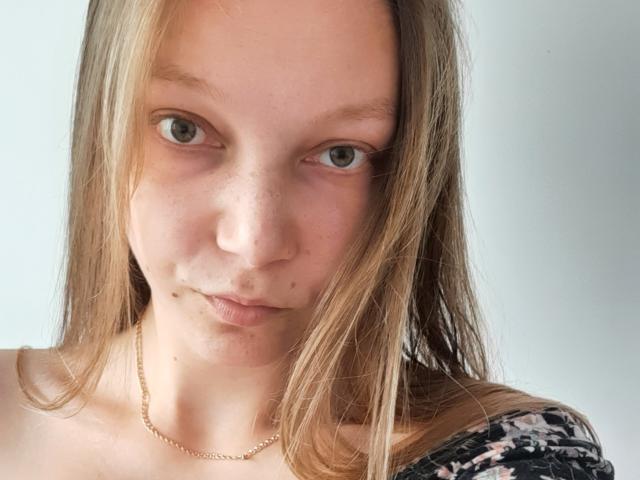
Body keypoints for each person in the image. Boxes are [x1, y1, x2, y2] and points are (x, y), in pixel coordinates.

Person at [0, 0, 615, 479]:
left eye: (340, 154)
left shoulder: (503, 459)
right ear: (104, 121)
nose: (253, 242)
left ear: (405, 175)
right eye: (184, 129)